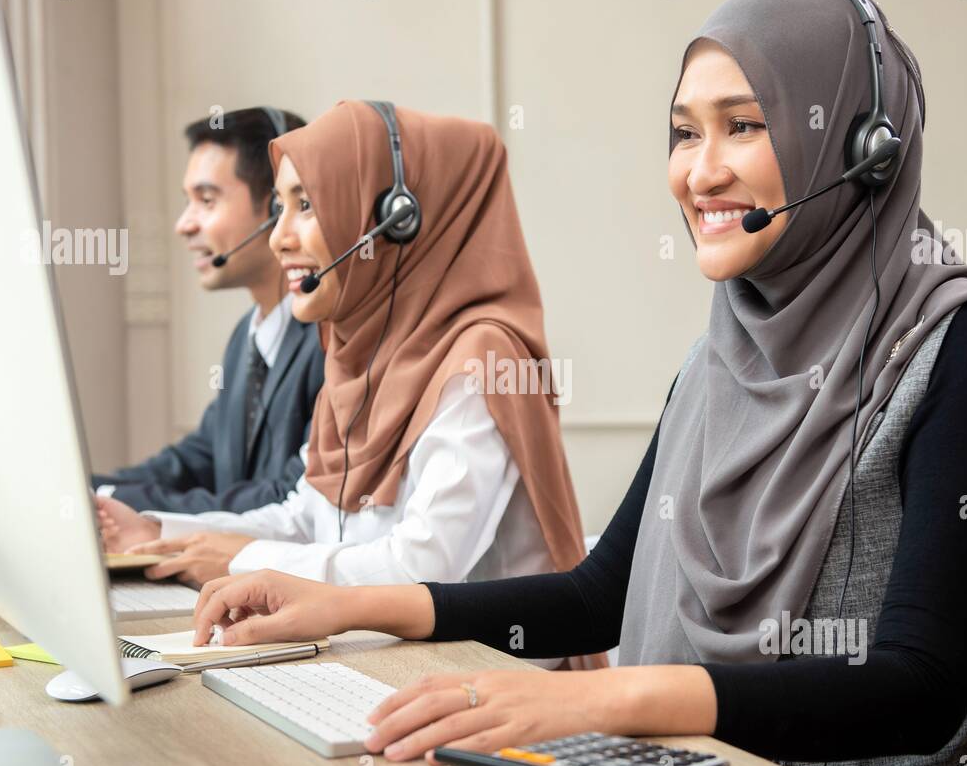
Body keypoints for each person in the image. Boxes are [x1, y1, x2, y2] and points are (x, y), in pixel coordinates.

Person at [177, 0, 967, 766]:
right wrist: (340, 606)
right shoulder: (715, 364)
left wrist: (589, 699)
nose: (699, 171)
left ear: (860, 146)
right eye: (683, 132)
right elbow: (597, 594)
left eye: (745, 125)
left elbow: (919, 686)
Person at [97, 101, 604, 669]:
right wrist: (162, 530)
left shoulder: (481, 359)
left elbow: (423, 566)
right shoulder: (358, 351)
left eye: (306, 206)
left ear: (396, 218)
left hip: (484, 681)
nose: (278, 239)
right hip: (391, 663)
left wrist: (241, 560)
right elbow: (302, 517)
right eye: (278, 208)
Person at [92, 107, 325, 513]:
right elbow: (200, 457)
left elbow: (289, 499)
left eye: (206, 200)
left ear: (275, 208)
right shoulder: (247, 337)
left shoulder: (331, 338)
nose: (184, 224)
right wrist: (92, 490)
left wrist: (124, 507)